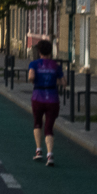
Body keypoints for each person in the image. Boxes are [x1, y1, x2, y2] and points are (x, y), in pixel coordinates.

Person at [28, 39, 65, 167]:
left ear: (39, 52)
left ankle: (39, 150)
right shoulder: (56, 66)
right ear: (51, 52)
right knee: (49, 127)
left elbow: (31, 76)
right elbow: (64, 82)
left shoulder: (34, 64)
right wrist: (55, 80)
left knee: (37, 123)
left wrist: (34, 79)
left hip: (38, 97)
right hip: (53, 99)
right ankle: (50, 154)